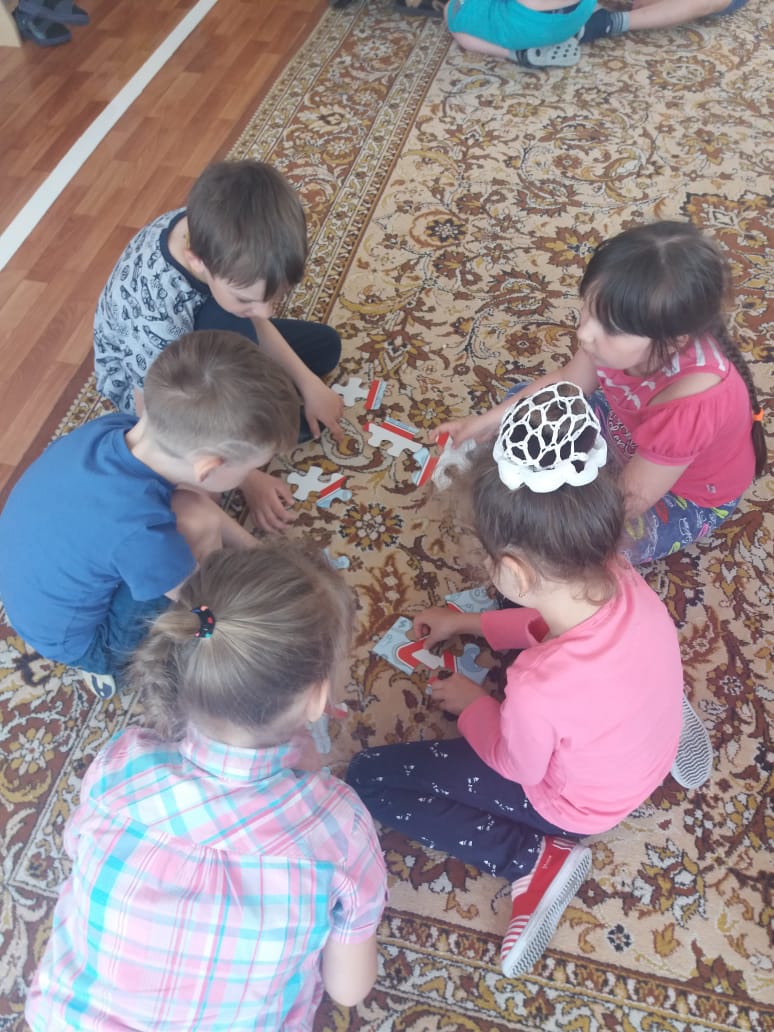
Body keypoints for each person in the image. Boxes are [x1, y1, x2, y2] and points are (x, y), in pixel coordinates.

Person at [347, 383, 685, 977]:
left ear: (511, 570)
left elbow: (516, 765)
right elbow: (540, 618)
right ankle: (661, 716)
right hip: (642, 729)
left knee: (370, 779)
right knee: (565, 638)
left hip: (578, 806)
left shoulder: (537, 686)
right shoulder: (620, 573)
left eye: (488, 559)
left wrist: (475, 703)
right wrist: (468, 622)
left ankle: (531, 856)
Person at [25, 544, 388, 1031]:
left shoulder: (121, 765)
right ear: (319, 698)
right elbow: (348, 988)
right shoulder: (341, 829)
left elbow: (76, 849)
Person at [435, 221, 766, 565]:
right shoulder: (615, 339)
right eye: (588, 309)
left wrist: (552, 519)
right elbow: (567, 382)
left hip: (682, 494)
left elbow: (629, 500)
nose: (585, 333)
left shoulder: (694, 403)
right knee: (524, 404)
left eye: (609, 326)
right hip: (627, 432)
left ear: (672, 341)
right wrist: (487, 422)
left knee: (588, 545)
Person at [0, 330, 299, 698]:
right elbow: (193, 603)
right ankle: (114, 666)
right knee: (196, 524)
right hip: (88, 642)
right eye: (253, 467)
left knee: (189, 507)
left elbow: (185, 497)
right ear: (209, 468)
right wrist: (222, 626)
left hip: (32, 592)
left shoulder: (114, 428)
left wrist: (258, 553)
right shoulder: (140, 532)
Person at [94, 159, 344, 532]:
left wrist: (309, 383)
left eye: (275, 297)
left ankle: (256, 363)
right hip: (159, 389)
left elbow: (255, 320)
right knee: (208, 488)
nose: (267, 310)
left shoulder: (217, 237)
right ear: (197, 262)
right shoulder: (155, 318)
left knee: (325, 348)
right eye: (248, 298)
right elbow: (160, 418)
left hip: (207, 327)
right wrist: (248, 477)